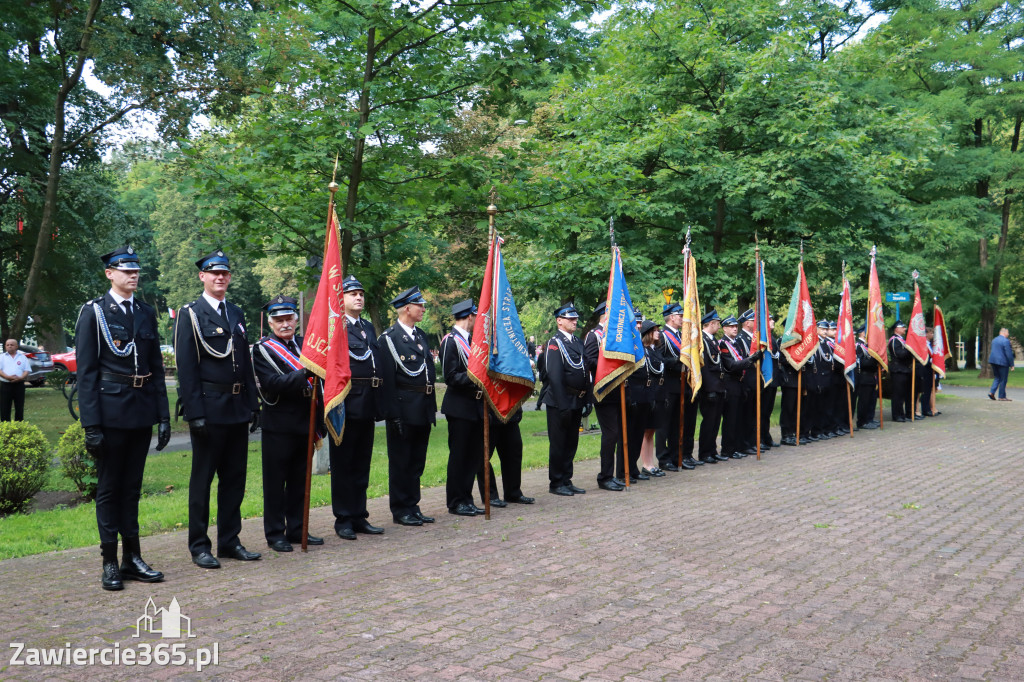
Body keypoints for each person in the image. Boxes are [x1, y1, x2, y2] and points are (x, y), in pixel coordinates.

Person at [74, 245, 171, 591]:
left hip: (141, 411)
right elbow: (86, 373)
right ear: (109, 274)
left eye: (136, 270)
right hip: (110, 413)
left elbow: (155, 369)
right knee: (109, 489)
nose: (133, 275)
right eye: (124, 269)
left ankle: (133, 557)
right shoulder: (94, 312)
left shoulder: (144, 312)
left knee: (131, 489)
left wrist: (163, 416)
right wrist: (92, 426)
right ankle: (109, 561)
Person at [175, 249, 260, 569]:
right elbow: (186, 367)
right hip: (209, 410)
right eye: (214, 273)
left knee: (234, 479)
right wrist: (194, 412)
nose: (220, 277)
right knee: (202, 481)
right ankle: (199, 545)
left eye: (225, 273)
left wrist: (254, 405)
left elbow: (244, 362)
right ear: (202, 277)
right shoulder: (191, 313)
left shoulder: (236, 312)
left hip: (237, 408)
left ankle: (229, 540)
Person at [251, 295, 324, 553]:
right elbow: (272, 384)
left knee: (299, 481)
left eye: (289, 319)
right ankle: (275, 534)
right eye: (279, 320)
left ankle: (297, 529)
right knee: (275, 483)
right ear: (271, 323)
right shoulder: (262, 349)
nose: (285, 324)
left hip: (305, 420)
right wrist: (305, 372)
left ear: (296, 320)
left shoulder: (306, 345)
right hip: (279, 423)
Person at [329, 275, 386, 540]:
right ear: (341, 299)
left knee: (362, 464)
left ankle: (360, 515)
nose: (359, 297)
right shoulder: (336, 328)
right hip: (346, 404)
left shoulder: (365, 327)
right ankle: (343, 519)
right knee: (344, 465)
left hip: (368, 403)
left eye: (361, 293)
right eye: (352, 293)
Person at [378, 286, 437, 526]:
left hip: (422, 406)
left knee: (416, 461)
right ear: (406, 308)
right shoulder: (389, 339)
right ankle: (400, 508)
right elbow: (388, 382)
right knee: (401, 461)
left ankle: (413, 504)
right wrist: (393, 415)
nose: (423, 308)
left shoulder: (420, 335)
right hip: (403, 408)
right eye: (419, 305)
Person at [440, 299, 486, 517]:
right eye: (475, 316)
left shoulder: (471, 341)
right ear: (469, 316)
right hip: (459, 406)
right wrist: (475, 378)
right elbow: (450, 376)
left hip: (475, 406)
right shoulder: (451, 341)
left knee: (473, 457)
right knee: (459, 456)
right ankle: (456, 501)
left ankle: (467, 498)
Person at [542, 302, 589, 496]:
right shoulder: (554, 343)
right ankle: (556, 482)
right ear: (559, 321)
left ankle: (567, 479)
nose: (574, 321)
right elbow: (554, 376)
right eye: (570, 318)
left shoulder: (577, 342)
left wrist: (586, 399)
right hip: (559, 401)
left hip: (576, 399)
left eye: (575, 318)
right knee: (559, 442)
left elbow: (585, 371)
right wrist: (563, 405)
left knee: (571, 441)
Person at [583, 301, 624, 491]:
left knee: (617, 434)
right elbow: (589, 360)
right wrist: (608, 365)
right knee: (610, 434)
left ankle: (615, 474)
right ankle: (604, 476)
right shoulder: (594, 336)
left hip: (618, 390)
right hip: (603, 390)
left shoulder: (616, 336)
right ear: (603, 315)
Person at [657, 303, 697, 471]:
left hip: (683, 385)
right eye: (680, 316)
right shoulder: (662, 336)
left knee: (677, 424)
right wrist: (677, 362)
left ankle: (676, 456)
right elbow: (659, 360)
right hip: (669, 386)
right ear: (671, 317)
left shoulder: (682, 336)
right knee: (664, 426)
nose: (682, 318)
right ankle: (663, 458)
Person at [477, 403, 535, 507]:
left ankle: (513, 493)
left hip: (509, 413)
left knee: (513, 453)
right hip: (489, 413)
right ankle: (490, 496)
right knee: (483, 457)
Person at [719, 315, 760, 459]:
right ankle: (727, 449)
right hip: (730, 384)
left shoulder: (736, 343)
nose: (735, 328)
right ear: (724, 328)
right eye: (731, 326)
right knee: (730, 419)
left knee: (738, 418)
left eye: (736, 326)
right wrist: (751, 359)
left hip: (740, 383)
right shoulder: (723, 344)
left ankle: (737, 446)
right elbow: (731, 365)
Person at [637, 319, 667, 478]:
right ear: (648, 333)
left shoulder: (657, 350)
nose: (658, 332)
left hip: (659, 393)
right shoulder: (643, 350)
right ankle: (646, 464)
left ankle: (651, 463)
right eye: (655, 330)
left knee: (652, 430)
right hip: (649, 394)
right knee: (646, 431)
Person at [698, 309, 726, 464]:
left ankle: (712, 450)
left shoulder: (713, 340)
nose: (719, 327)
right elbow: (705, 367)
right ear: (711, 323)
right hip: (710, 388)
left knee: (715, 421)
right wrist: (709, 389)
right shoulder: (702, 340)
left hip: (718, 385)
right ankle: (704, 452)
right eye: (717, 324)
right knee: (708, 421)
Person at [760, 313, 780, 448]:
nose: (773, 321)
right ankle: (760, 438)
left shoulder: (772, 338)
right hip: (765, 380)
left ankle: (766, 436)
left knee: (767, 411)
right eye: (770, 319)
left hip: (773, 380)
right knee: (762, 411)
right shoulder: (763, 338)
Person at [854, 324, 880, 429]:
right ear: (862, 333)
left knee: (872, 400)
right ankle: (862, 421)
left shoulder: (869, 346)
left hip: (872, 376)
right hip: (864, 377)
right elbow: (863, 363)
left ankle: (870, 419)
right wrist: (875, 360)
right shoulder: (859, 346)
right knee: (864, 401)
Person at [888, 321, 913, 422]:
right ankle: (897, 415)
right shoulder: (894, 340)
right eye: (902, 327)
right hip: (898, 370)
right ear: (896, 329)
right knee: (898, 394)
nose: (905, 329)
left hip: (905, 369)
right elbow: (900, 354)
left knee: (904, 393)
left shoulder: (902, 340)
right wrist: (911, 350)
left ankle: (903, 414)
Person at [0, 339, 29, 422]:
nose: (9, 346)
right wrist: (8, 377)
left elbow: (26, 370)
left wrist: (20, 378)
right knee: (5, 407)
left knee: (19, 407)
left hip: (19, 385)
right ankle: (5, 426)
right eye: (7, 345)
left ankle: (19, 425)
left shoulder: (22, 357)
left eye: (12, 345)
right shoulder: (1, 357)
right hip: (6, 385)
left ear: (16, 346)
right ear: (5, 346)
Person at [988, 328, 1015, 401]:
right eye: (1008, 332)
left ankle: (992, 392)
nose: (1008, 334)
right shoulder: (1006, 341)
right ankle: (1002, 396)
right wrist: (1012, 364)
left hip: (993, 361)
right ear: (1004, 332)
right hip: (1002, 362)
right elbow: (1009, 354)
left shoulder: (994, 340)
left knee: (997, 377)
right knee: (1003, 379)